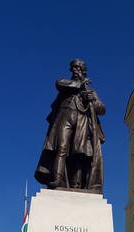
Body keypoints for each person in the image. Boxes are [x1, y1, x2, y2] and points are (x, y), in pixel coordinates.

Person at [35, 58, 106, 193]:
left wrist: (91, 100)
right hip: (65, 118)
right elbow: (59, 83)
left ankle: (76, 185)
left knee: (79, 153)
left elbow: (102, 109)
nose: (75, 70)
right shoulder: (66, 84)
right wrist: (81, 85)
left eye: (78, 68)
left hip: (82, 121)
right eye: (73, 68)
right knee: (61, 148)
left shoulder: (90, 91)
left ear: (83, 71)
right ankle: (57, 179)